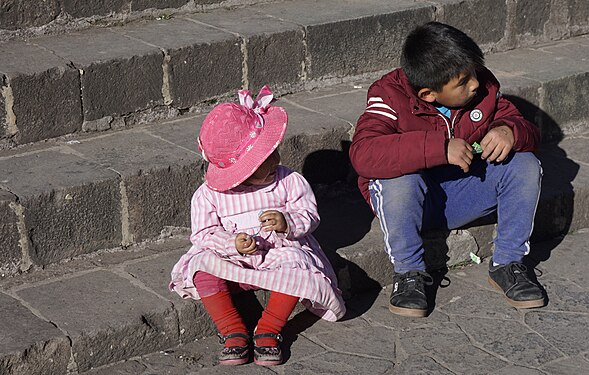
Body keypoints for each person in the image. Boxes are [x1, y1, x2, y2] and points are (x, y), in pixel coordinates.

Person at [349, 22, 545, 317]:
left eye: (474, 72)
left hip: (463, 192)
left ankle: (508, 263)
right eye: (463, 82)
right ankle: (408, 274)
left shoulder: (484, 89)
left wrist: (510, 130)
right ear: (428, 94)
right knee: (400, 177)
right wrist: (439, 148)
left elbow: (525, 128)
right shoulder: (389, 94)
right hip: (409, 203)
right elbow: (364, 153)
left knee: (525, 164)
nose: (475, 84)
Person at [170, 86, 346, 366]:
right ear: (243, 172)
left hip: (279, 253)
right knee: (201, 269)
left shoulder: (288, 181)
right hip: (232, 259)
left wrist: (287, 222)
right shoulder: (210, 194)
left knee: (298, 266)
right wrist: (231, 243)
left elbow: (309, 214)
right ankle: (232, 331)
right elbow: (203, 233)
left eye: (274, 151)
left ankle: (269, 328)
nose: (276, 160)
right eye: (265, 159)